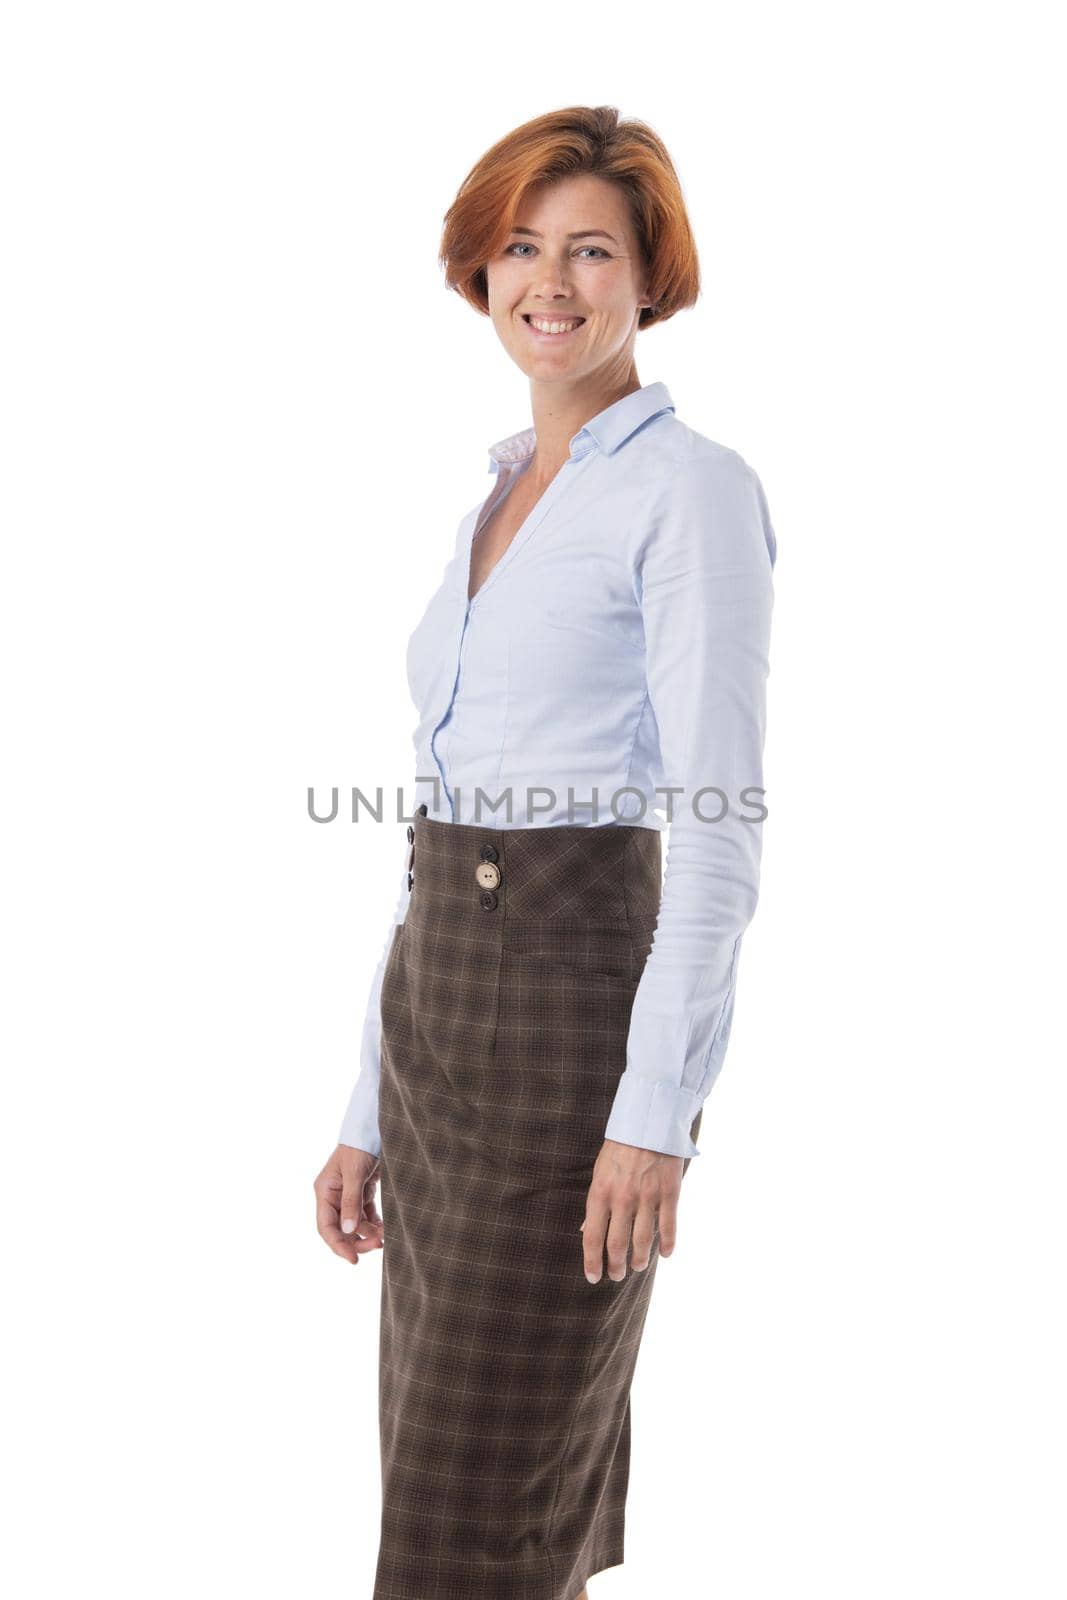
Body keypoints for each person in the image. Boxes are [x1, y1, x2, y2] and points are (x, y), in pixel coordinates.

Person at [313, 103, 777, 1600]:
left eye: (591, 248)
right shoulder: (500, 493)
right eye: (520, 246)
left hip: (570, 1022)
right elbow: (428, 827)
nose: (549, 282)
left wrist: (658, 1116)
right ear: (481, 271)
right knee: (468, 1508)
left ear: (654, 277)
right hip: (440, 1020)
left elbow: (716, 828)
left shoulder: (686, 489)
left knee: (475, 1530)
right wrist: (367, 1104)